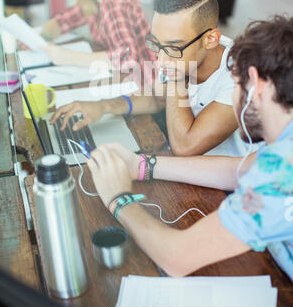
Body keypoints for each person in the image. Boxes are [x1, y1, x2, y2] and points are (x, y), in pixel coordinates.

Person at [86, 15, 293, 281]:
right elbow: (237, 170)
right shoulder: (282, 151)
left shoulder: (281, 167)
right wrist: (142, 165)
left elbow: (176, 257)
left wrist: (118, 198)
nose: (234, 97)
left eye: (236, 84)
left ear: (256, 83)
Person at [51, 0, 258, 158]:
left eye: (172, 47)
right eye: (156, 44)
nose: (160, 58)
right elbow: (158, 98)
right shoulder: (176, 54)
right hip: (196, 166)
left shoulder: (240, 77)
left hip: (234, 185)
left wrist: (175, 78)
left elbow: (185, 146)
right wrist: (104, 106)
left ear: (210, 39)